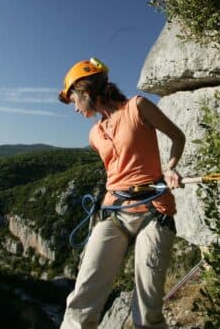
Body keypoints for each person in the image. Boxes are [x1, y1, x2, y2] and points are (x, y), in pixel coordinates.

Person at [57, 57, 185, 329]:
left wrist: (170, 168)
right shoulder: (94, 134)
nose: (75, 108)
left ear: (86, 92)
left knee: (147, 309)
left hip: (154, 211)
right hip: (115, 213)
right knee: (82, 298)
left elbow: (177, 136)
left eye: (74, 100)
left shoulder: (137, 108)